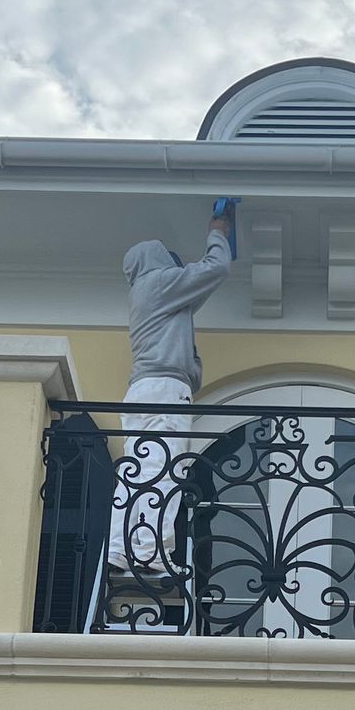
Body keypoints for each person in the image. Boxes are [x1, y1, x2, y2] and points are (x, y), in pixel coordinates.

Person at [105, 203, 235, 594]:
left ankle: (118, 550)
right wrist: (218, 232)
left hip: (142, 390)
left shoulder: (145, 294)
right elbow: (215, 269)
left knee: (136, 475)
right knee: (163, 473)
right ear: (157, 260)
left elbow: (193, 293)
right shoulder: (160, 283)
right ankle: (151, 555)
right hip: (164, 390)